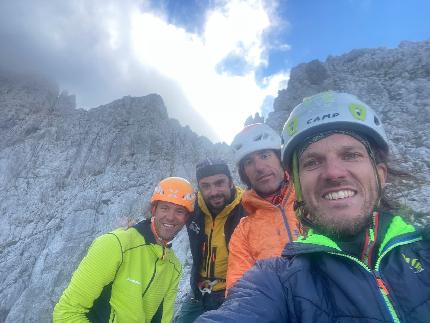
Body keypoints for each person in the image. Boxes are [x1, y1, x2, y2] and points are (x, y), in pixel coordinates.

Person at [196, 91, 430, 322]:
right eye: (313, 162)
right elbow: (242, 298)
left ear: (380, 174)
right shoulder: (263, 257)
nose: (333, 173)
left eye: (350, 155)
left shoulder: (422, 248)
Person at [53, 177, 195, 323]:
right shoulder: (116, 244)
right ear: (154, 210)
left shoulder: (174, 267)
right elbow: (66, 313)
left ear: (186, 218)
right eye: (164, 208)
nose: (170, 217)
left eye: (179, 211)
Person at [225, 123, 299, 292]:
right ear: (245, 174)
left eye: (265, 155)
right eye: (249, 162)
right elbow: (238, 291)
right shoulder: (243, 231)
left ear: (281, 159)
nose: (259, 167)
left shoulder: (314, 199)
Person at [176, 159, 245, 323]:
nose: (213, 192)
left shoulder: (246, 208)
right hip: (198, 291)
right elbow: (167, 217)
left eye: (219, 183)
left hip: (230, 294)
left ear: (230, 182)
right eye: (206, 186)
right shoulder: (193, 208)